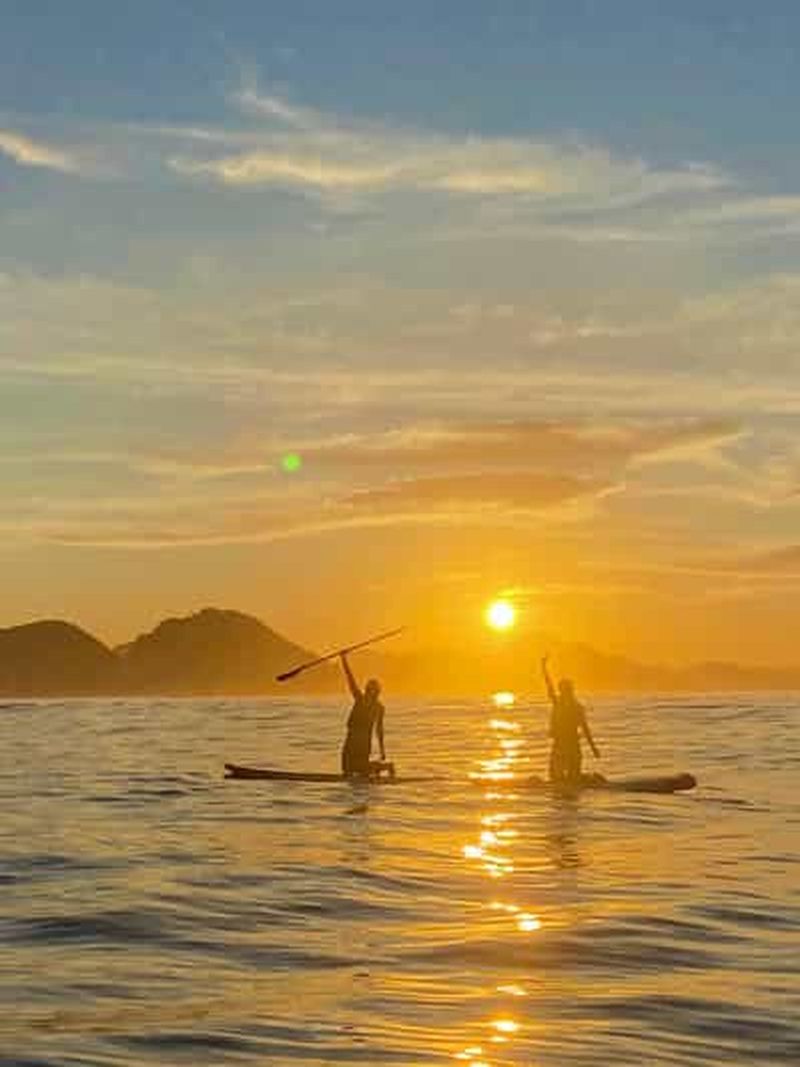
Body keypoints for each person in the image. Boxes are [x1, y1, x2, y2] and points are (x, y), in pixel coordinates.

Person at [541, 655, 600, 783]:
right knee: (562, 777)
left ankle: (588, 780)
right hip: (564, 744)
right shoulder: (561, 703)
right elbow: (549, 686)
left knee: (566, 777)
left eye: (563, 690)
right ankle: (585, 780)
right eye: (561, 690)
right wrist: (544, 668)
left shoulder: (574, 707)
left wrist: (593, 748)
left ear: (568, 691)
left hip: (569, 745)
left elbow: (585, 728)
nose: (561, 692)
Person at [339, 652, 394, 779]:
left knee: (350, 770)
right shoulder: (374, 705)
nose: (368, 691)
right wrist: (382, 750)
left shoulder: (362, 700)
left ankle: (383, 767)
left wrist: (343, 660)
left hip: (358, 740)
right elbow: (379, 731)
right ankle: (378, 768)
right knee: (352, 770)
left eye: (370, 689)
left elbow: (350, 681)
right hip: (356, 739)